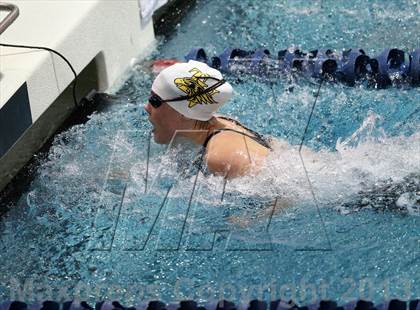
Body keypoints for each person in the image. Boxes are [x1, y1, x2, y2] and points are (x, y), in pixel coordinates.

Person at [144, 60, 272, 179]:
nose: (146, 107)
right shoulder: (211, 123)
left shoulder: (222, 156)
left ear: (184, 113)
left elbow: (280, 197)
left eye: (154, 101)